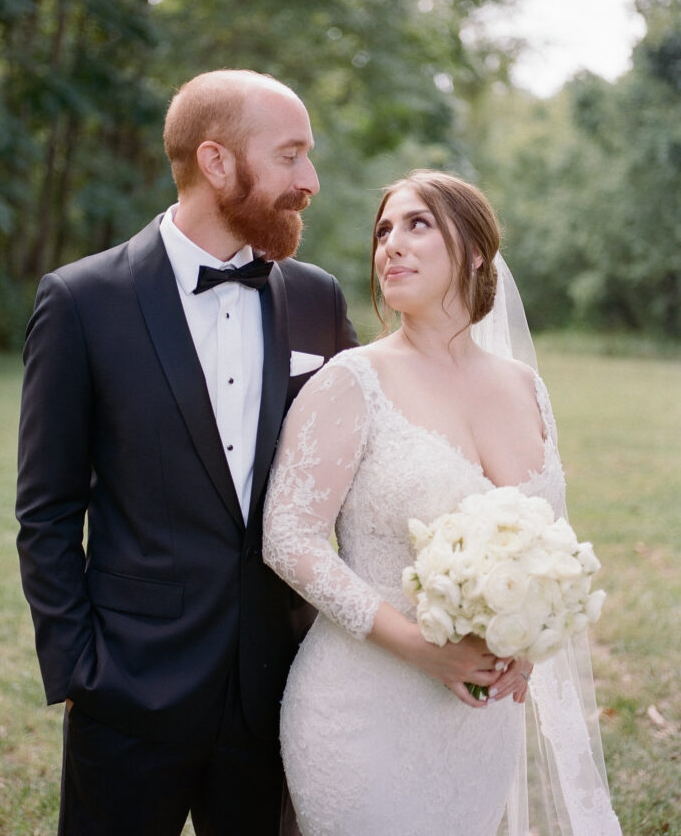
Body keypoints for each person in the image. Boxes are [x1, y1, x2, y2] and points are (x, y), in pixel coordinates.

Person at [16, 69, 357, 836]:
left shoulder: (316, 299)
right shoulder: (81, 301)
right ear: (216, 162)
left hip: (277, 688)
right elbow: (46, 509)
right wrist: (81, 670)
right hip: (130, 689)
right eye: (291, 155)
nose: (311, 180)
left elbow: (369, 471)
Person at [263, 169, 622, 835]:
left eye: (417, 224)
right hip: (361, 708)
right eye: (383, 231)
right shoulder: (353, 380)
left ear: (477, 250)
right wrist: (419, 647)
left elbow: (550, 543)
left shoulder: (526, 387)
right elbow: (288, 538)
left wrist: (526, 640)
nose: (391, 244)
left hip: (478, 721)